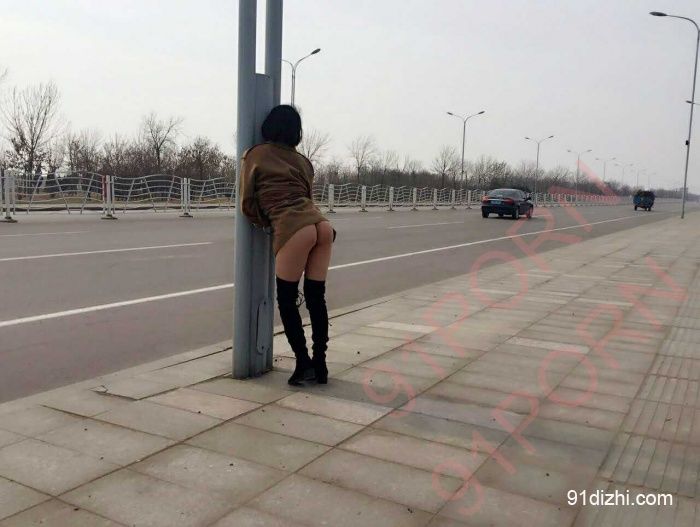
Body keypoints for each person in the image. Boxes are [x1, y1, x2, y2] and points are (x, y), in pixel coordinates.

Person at [239, 105, 335, 385]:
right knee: (316, 298)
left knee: (287, 299)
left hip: (293, 226)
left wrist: (269, 222)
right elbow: (307, 196)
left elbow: (247, 203)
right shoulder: (304, 162)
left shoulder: (255, 155)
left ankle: (303, 363)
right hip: (322, 225)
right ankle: (320, 364)